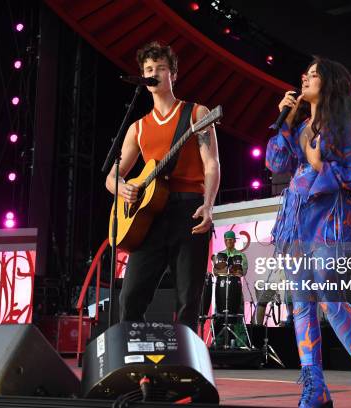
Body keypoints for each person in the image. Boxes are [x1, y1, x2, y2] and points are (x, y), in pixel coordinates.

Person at [265, 57, 351, 408]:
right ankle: (315, 388)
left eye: (314, 74)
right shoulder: (302, 123)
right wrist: (286, 121)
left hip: (331, 217)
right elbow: (275, 163)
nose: (305, 78)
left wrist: (321, 164)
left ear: (331, 83)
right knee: (302, 305)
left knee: (331, 298)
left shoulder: (347, 124)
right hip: (295, 218)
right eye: (305, 73)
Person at [105, 41, 220, 332]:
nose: (153, 72)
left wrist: (208, 205)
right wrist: (122, 188)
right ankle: (138, 363)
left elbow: (212, 164)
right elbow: (112, 176)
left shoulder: (197, 113)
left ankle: (185, 367)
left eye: (160, 68)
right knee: (130, 297)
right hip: (148, 216)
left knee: (188, 299)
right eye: (148, 69)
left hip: (188, 209)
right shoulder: (138, 127)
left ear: (173, 74)